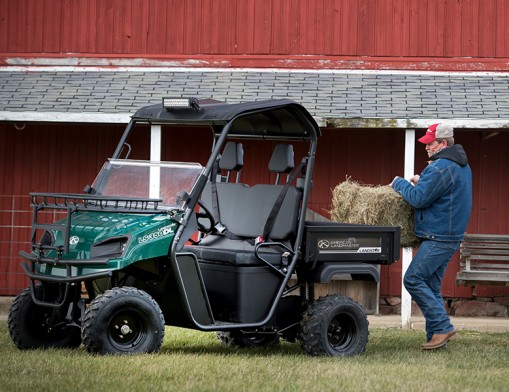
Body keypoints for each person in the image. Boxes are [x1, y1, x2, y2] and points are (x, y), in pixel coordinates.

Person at [391, 123, 472, 350]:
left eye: (430, 143)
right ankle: (435, 339)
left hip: (439, 236)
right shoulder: (460, 166)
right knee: (431, 286)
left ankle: (443, 327)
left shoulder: (440, 167)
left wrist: (399, 183)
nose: (426, 147)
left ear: (443, 143)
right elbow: (441, 193)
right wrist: (421, 182)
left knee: (413, 279)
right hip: (451, 235)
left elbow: (418, 199)